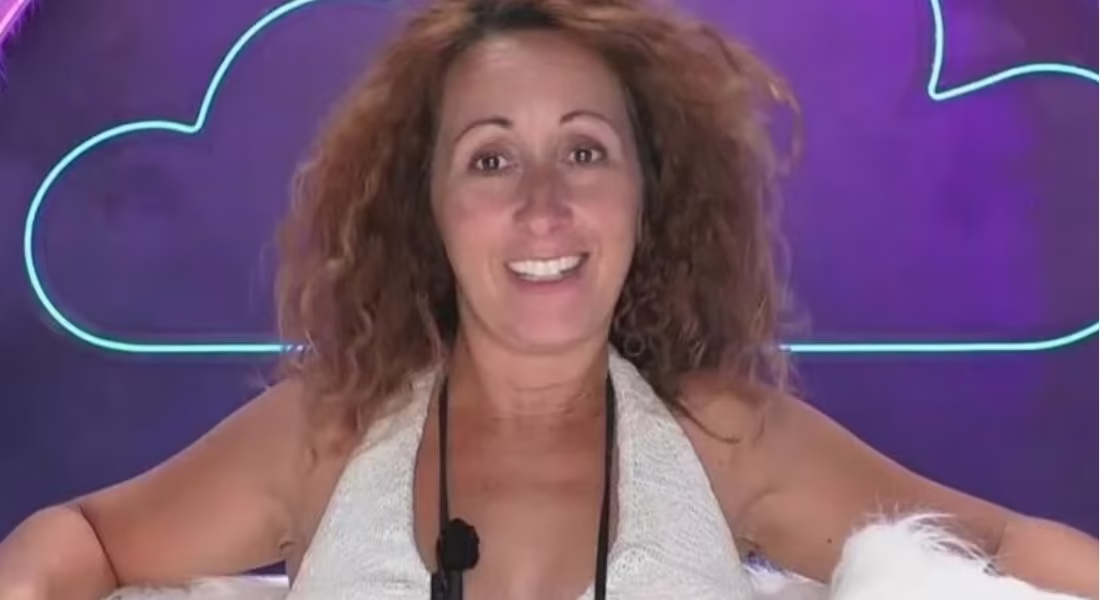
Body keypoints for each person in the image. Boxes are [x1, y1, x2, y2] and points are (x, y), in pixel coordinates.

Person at [1, 0, 1096, 598]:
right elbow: (82, 541)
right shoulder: (326, 431)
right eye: (490, 159)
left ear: (645, 194)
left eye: (583, 151)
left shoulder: (724, 437)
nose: (541, 206)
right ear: (426, 207)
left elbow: (1008, 554)